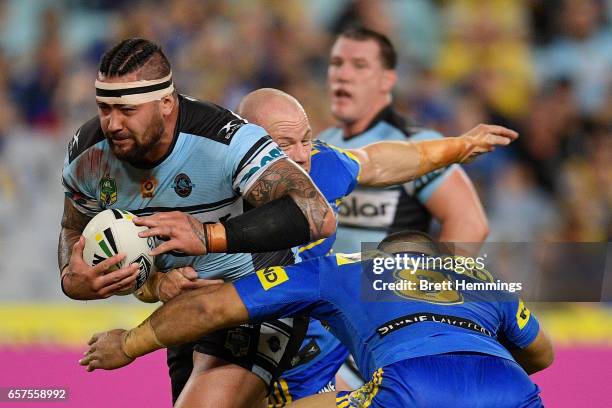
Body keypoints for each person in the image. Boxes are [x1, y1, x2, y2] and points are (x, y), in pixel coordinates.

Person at [139, 87, 518, 406]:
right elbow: (134, 271)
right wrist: (157, 286)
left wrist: (459, 146)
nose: (304, 155)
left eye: (306, 138)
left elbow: (377, 163)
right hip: (220, 340)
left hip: (309, 355)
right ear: (247, 145)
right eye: (285, 144)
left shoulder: (319, 168)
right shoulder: (195, 191)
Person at [58, 38, 336, 408]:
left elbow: (317, 214)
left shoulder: (225, 138)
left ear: (166, 103)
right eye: (104, 108)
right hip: (182, 317)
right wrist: (72, 278)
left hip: (255, 299)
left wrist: (208, 236)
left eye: (126, 110)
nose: (112, 124)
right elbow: (72, 227)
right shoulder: (88, 157)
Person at [80, 230, 553, 408]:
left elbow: (211, 307)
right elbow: (541, 355)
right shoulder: (481, 278)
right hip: (511, 389)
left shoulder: (346, 268)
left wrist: (129, 344)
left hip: (410, 385)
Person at [319, 27, 489, 255]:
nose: (343, 74)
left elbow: (470, 223)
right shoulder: (323, 142)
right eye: (337, 63)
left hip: (386, 287)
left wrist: (440, 283)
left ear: (386, 80)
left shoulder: (418, 143)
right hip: (328, 289)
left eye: (359, 65)